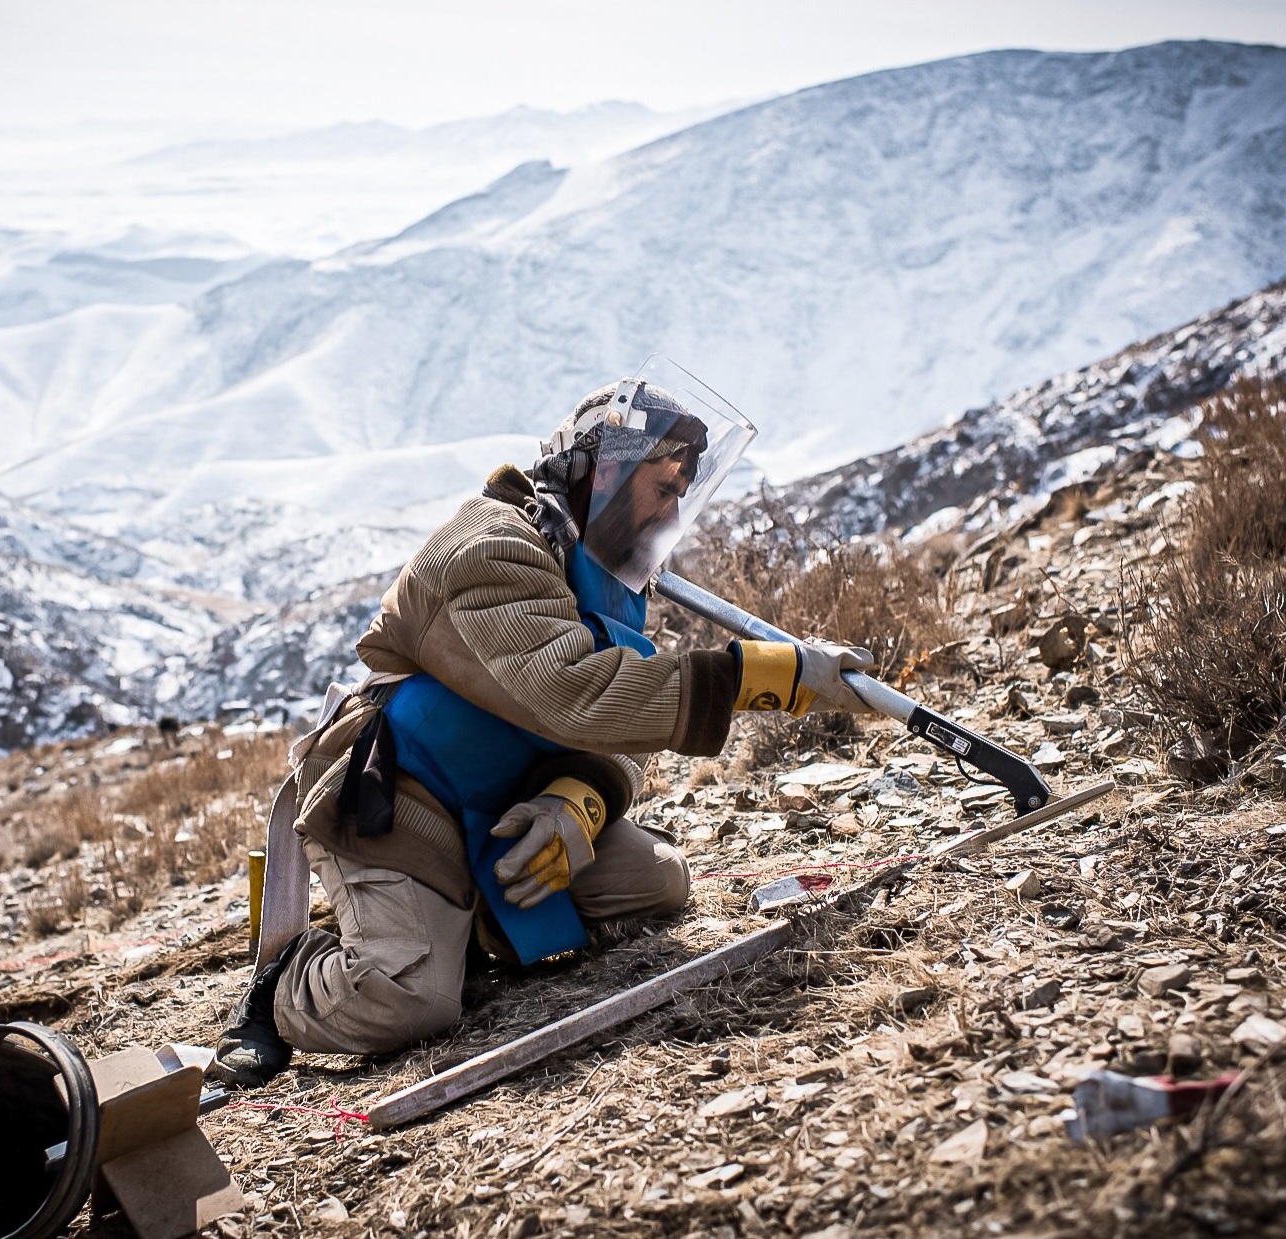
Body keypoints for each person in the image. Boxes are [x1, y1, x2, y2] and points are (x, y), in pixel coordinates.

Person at [209, 361, 876, 1088]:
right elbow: (577, 695)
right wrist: (761, 677)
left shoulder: (607, 587)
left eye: (681, 496)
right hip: (405, 801)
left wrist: (576, 803)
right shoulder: (491, 546)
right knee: (408, 1002)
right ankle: (282, 983)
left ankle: (454, 929)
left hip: (503, 805)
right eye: (662, 489)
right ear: (601, 472)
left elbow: (622, 733)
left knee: (656, 881)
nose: (669, 514)